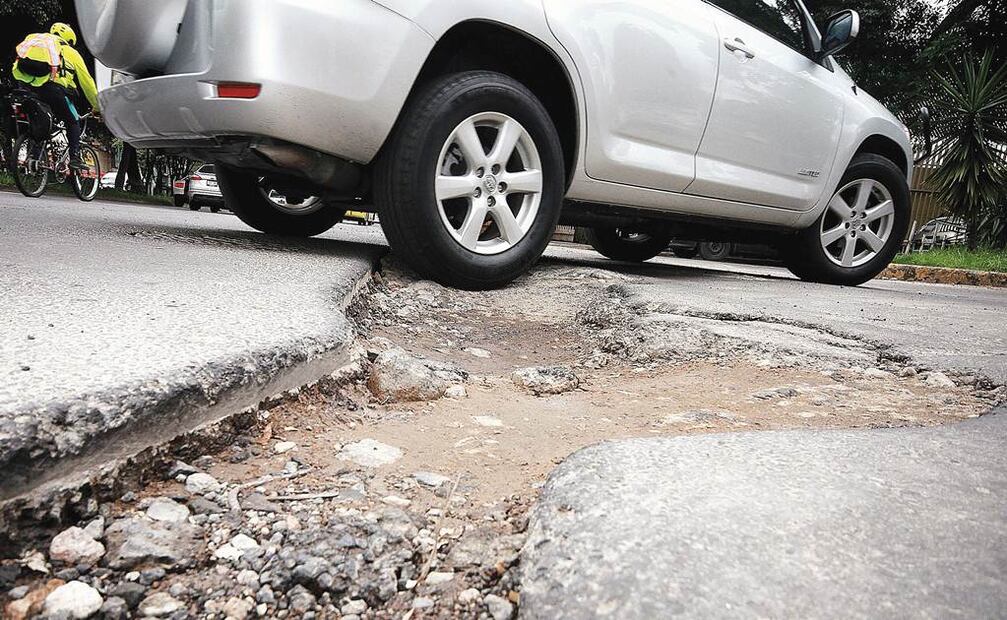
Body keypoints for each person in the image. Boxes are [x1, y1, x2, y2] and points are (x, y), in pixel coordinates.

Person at [11, 23, 100, 170]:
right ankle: (75, 157)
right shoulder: (71, 52)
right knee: (73, 121)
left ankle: (34, 157)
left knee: (41, 121)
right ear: (69, 40)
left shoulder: (37, 45)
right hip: (53, 91)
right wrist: (97, 106)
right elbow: (87, 82)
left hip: (27, 87)